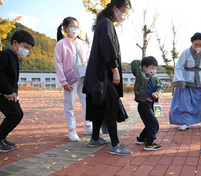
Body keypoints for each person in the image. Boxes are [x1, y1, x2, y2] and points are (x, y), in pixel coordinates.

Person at [83, 0, 132, 155]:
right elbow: (107, 47)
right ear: (114, 8)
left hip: (97, 76)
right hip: (104, 76)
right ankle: (115, 144)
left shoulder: (102, 23)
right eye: (124, 9)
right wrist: (115, 70)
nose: (125, 13)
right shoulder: (106, 23)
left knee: (99, 105)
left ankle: (95, 138)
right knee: (110, 105)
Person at [54, 17, 92, 142]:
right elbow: (58, 63)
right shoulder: (61, 44)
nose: (75, 29)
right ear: (65, 28)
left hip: (84, 77)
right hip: (70, 78)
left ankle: (87, 125)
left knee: (86, 102)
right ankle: (71, 129)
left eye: (77, 26)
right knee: (69, 104)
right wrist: (63, 82)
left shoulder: (82, 43)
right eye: (72, 26)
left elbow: (88, 60)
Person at [169, 32, 201, 131]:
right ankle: (185, 122)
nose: (198, 47)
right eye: (196, 45)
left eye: (200, 45)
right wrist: (180, 81)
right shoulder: (185, 52)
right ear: (192, 43)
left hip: (200, 80)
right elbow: (179, 67)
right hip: (187, 81)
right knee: (185, 102)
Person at [0, 30, 35, 152]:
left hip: (11, 94)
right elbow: (1, 75)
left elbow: (13, 79)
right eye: (25, 47)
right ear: (15, 42)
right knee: (14, 115)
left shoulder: (16, 58)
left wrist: (15, 94)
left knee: (18, 114)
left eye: (29, 49)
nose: (26, 50)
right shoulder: (4, 55)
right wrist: (8, 91)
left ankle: (2, 137)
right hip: (3, 94)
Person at [131, 56, 164, 151]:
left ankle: (141, 138)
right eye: (152, 68)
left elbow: (160, 87)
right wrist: (143, 64)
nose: (154, 70)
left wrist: (157, 93)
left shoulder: (155, 78)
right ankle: (149, 143)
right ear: (144, 68)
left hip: (151, 104)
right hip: (143, 104)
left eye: (155, 68)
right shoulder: (140, 75)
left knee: (149, 123)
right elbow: (134, 62)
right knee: (154, 124)